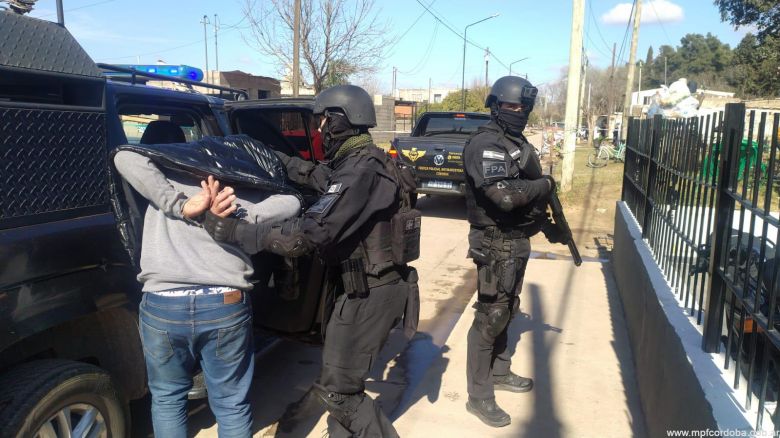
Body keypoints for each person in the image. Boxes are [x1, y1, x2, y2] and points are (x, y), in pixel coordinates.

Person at [203, 84, 420, 438]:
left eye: (322, 123)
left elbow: (302, 238)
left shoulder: (361, 172)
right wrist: (272, 156)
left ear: (338, 121)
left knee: (340, 394)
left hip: (370, 294)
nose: (319, 130)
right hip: (369, 289)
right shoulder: (366, 160)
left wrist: (233, 231)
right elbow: (319, 177)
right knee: (342, 388)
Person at [113, 146, 302, 438]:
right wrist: (240, 211)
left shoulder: (156, 185)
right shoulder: (233, 185)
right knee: (231, 404)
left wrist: (178, 205)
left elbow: (123, 155)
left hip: (163, 304)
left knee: (167, 398)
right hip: (224, 303)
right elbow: (292, 200)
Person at [462, 75, 561, 428]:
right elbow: (505, 197)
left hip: (516, 239)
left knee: (508, 309)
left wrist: (547, 223)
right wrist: (545, 184)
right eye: (512, 106)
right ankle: (479, 395)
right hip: (493, 240)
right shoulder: (486, 144)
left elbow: (524, 194)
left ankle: (500, 373)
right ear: (495, 105)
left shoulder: (514, 142)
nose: (519, 112)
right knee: (490, 316)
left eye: (524, 107)